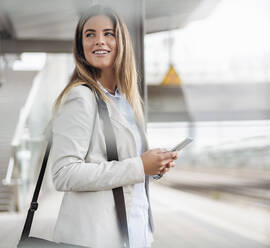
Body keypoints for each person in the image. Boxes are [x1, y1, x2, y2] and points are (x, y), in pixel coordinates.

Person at [49, 5, 177, 248]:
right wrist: (140, 165)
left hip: (137, 234)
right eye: (90, 34)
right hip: (97, 239)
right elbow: (63, 174)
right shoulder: (81, 98)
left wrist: (154, 165)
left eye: (109, 33)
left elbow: (125, 163)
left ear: (122, 42)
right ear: (80, 45)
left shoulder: (126, 101)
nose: (99, 41)